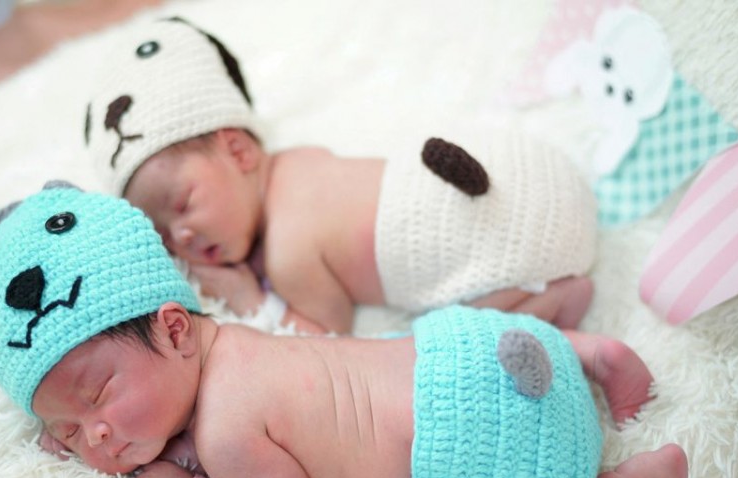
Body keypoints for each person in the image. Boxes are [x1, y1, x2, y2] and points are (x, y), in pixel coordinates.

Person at [0, 183, 686, 478]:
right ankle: (583, 348)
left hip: (479, 434)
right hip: (472, 350)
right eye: (68, 432)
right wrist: (78, 420)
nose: (93, 435)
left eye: (97, 397)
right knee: (447, 341)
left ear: (175, 329)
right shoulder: (234, 348)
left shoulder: (228, 430)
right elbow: (132, 414)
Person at [84, 16, 600, 335]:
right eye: (166, 234)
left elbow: (326, 337)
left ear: (239, 150)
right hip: (535, 170)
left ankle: (546, 299)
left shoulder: (290, 254)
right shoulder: (301, 160)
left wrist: (251, 299)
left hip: (511, 242)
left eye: (183, 204)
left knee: (447, 339)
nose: (183, 237)